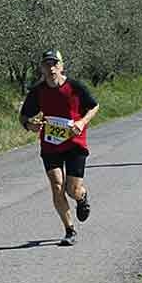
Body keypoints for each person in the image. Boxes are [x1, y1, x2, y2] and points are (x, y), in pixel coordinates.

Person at [19, 50, 99, 246]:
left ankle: (82, 197)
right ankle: (69, 230)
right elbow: (24, 117)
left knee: (72, 190)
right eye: (47, 64)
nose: (51, 68)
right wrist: (31, 126)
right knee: (56, 186)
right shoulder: (38, 91)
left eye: (55, 64)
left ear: (62, 66)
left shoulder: (75, 87)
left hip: (74, 143)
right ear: (42, 68)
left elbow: (94, 106)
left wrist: (81, 122)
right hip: (51, 144)